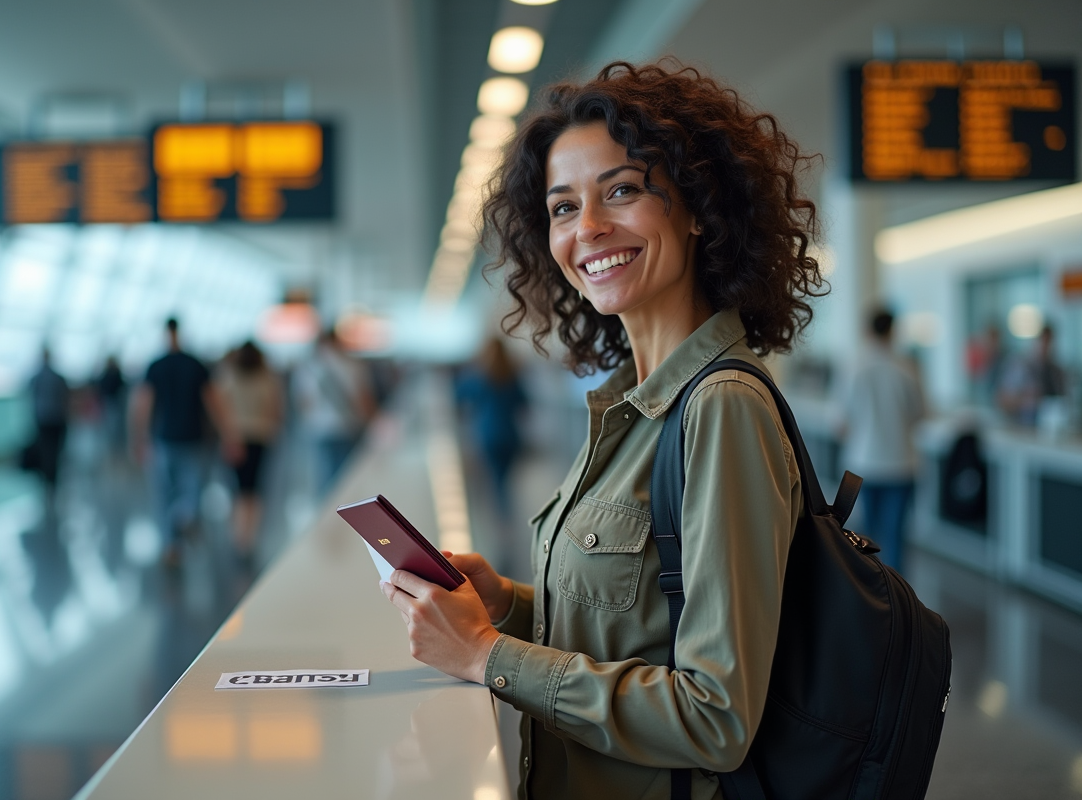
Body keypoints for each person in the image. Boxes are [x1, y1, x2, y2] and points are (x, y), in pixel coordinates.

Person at [378, 61, 824, 800]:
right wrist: (512, 607)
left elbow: (717, 716)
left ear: (697, 207)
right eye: (562, 207)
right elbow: (651, 622)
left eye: (621, 191)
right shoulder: (633, 406)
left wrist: (487, 655)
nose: (587, 229)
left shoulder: (720, 408)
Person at [130, 318, 242, 567]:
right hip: (194, 439)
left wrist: (140, 437)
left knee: (164, 494)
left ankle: (171, 546)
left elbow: (144, 404)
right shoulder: (195, 365)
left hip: (163, 439)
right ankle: (185, 516)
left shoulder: (156, 366)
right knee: (192, 490)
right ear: (180, 332)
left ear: (164, 333)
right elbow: (213, 402)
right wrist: (228, 434)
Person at [836, 310, 924, 572]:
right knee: (896, 538)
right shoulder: (908, 367)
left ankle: (874, 599)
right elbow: (921, 413)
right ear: (893, 331)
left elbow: (840, 422)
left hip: (863, 464)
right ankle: (901, 603)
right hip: (901, 462)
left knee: (867, 540)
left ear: (867, 330)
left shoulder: (853, 366)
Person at [215, 340, 283, 560]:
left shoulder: (228, 377)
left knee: (238, 489)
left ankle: (238, 535)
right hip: (260, 437)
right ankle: (249, 537)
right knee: (254, 489)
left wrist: (226, 436)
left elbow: (220, 408)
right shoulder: (267, 378)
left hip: (235, 437)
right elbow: (275, 409)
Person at [455, 337, 529, 526]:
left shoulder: (478, 375)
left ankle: (500, 520)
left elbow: (459, 396)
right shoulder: (512, 375)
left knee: (495, 479)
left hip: (487, 435)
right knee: (504, 478)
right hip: (510, 435)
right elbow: (524, 404)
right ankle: (506, 516)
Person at [294, 328, 376, 496]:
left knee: (323, 476)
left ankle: (327, 514)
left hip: (319, 428)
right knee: (345, 475)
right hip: (347, 426)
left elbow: (304, 403)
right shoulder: (351, 365)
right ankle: (345, 508)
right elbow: (363, 398)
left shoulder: (308, 369)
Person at [996, 323, 1067, 427]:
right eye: (1042, 341)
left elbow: (1063, 402)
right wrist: (1026, 399)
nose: (1045, 347)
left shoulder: (1057, 371)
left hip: (1049, 428)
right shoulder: (1019, 367)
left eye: (1049, 342)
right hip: (1021, 428)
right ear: (1034, 342)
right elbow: (1002, 400)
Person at [29, 347, 71, 494]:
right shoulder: (58, 377)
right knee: (56, 450)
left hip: (43, 419)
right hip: (57, 418)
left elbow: (31, 395)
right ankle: (53, 478)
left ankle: (47, 477)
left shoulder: (36, 377)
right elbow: (65, 397)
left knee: (46, 450)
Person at [94, 355, 127, 458]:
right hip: (110, 403)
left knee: (113, 428)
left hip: (113, 403)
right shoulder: (112, 375)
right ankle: (113, 449)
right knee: (111, 428)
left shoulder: (114, 375)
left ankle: (115, 449)